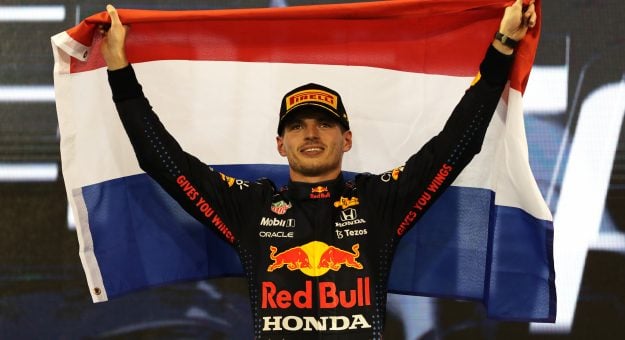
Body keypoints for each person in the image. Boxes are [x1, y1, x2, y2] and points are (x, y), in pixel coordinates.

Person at [100, 1, 537, 338]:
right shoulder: (251, 207)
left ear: (346, 140)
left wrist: (501, 48)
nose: (311, 134)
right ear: (280, 143)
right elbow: (161, 160)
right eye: (297, 126)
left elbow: (455, 146)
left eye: (325, 123)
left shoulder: (379, 202)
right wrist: (119, 69)